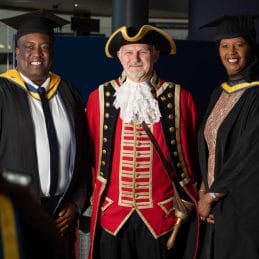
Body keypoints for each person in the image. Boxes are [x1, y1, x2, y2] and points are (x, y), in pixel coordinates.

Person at [86, 24, 199, 259]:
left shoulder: (180, 98)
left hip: (161, 216)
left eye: (143, 52)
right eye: (128, 52)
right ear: (119, 56)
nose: (135, 59)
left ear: (155, 55)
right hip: (113, 215)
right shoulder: (99, 98)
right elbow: (89, 155)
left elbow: (193, 156)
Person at [0, 10, 92, 259]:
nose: (37, 54)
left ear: (52, 52)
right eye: (28, 47)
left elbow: (84, 157)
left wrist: (76, 203)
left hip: (61, 213)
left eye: (44, 47)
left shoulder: (68, 92)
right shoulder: (2, 91)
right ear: (17, 52)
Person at [197, 15, 259, 258]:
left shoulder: (256, 95)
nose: (231, 52)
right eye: (224, 45)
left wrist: (212, 195)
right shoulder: (218, 93)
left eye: (238, 44)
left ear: (251, 48)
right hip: (215, 206)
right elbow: (210, 147)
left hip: (242, 206)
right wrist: (203, 189)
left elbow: (250, 154)